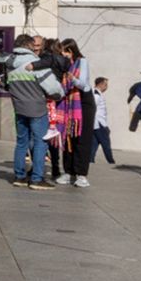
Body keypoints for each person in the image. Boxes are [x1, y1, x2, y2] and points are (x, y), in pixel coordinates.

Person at [4, 34, 57, 189]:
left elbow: (7, 85)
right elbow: (53, 88)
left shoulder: (9, 63)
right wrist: (58, 94)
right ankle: (36, 179)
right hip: (37, 109)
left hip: (19, 108)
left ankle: (19, 177)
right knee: (41, 142)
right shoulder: (36, 63)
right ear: (28, 45)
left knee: (21, 143)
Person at [58, 39, 95, 187]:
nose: (63, 55)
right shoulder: (65, 65)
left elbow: (83, 84)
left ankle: (81, 175)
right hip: (69, 103)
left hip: (83, 103)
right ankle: (68, 172)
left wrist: (72, 78)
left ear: (71, 51)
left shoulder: (82, 62)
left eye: (65, 52)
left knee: (82, 139)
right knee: (68, 138)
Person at [90, 77, 114, 164]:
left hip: (96, 123)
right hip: (99, 123)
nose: (106, 87)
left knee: (95, 142)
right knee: (106, 143)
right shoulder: (96, 94)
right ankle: (111, 161)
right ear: (100, 84)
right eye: (105, 85)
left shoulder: (95, 93)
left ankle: (90, 159)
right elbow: (92, 108)